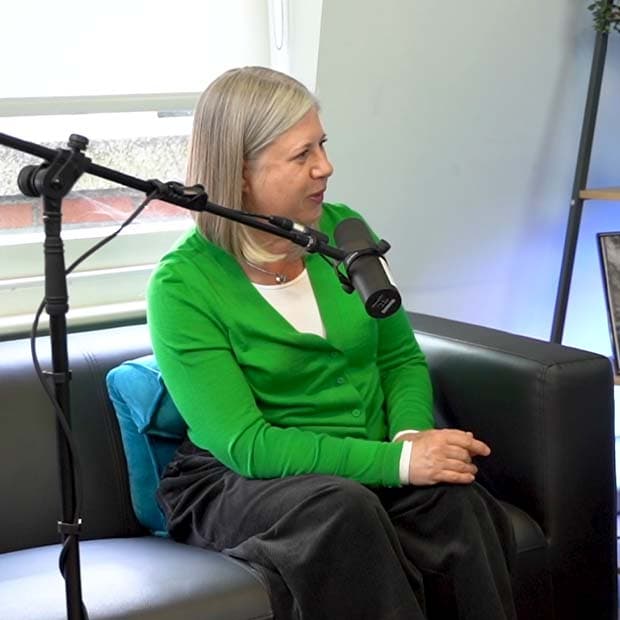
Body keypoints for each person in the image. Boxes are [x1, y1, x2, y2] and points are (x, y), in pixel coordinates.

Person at [147, 66, 517, 620]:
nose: (326, 166)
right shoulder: (182, 285)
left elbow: (399, 357)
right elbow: (247, 444)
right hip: (237, 480)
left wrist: (410, 435)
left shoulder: (345, 234)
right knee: (343, 508)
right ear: (241, 173)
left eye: (322, 144)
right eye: (302, 155)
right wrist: (398, 462)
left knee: (454, 496)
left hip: (360, 458)